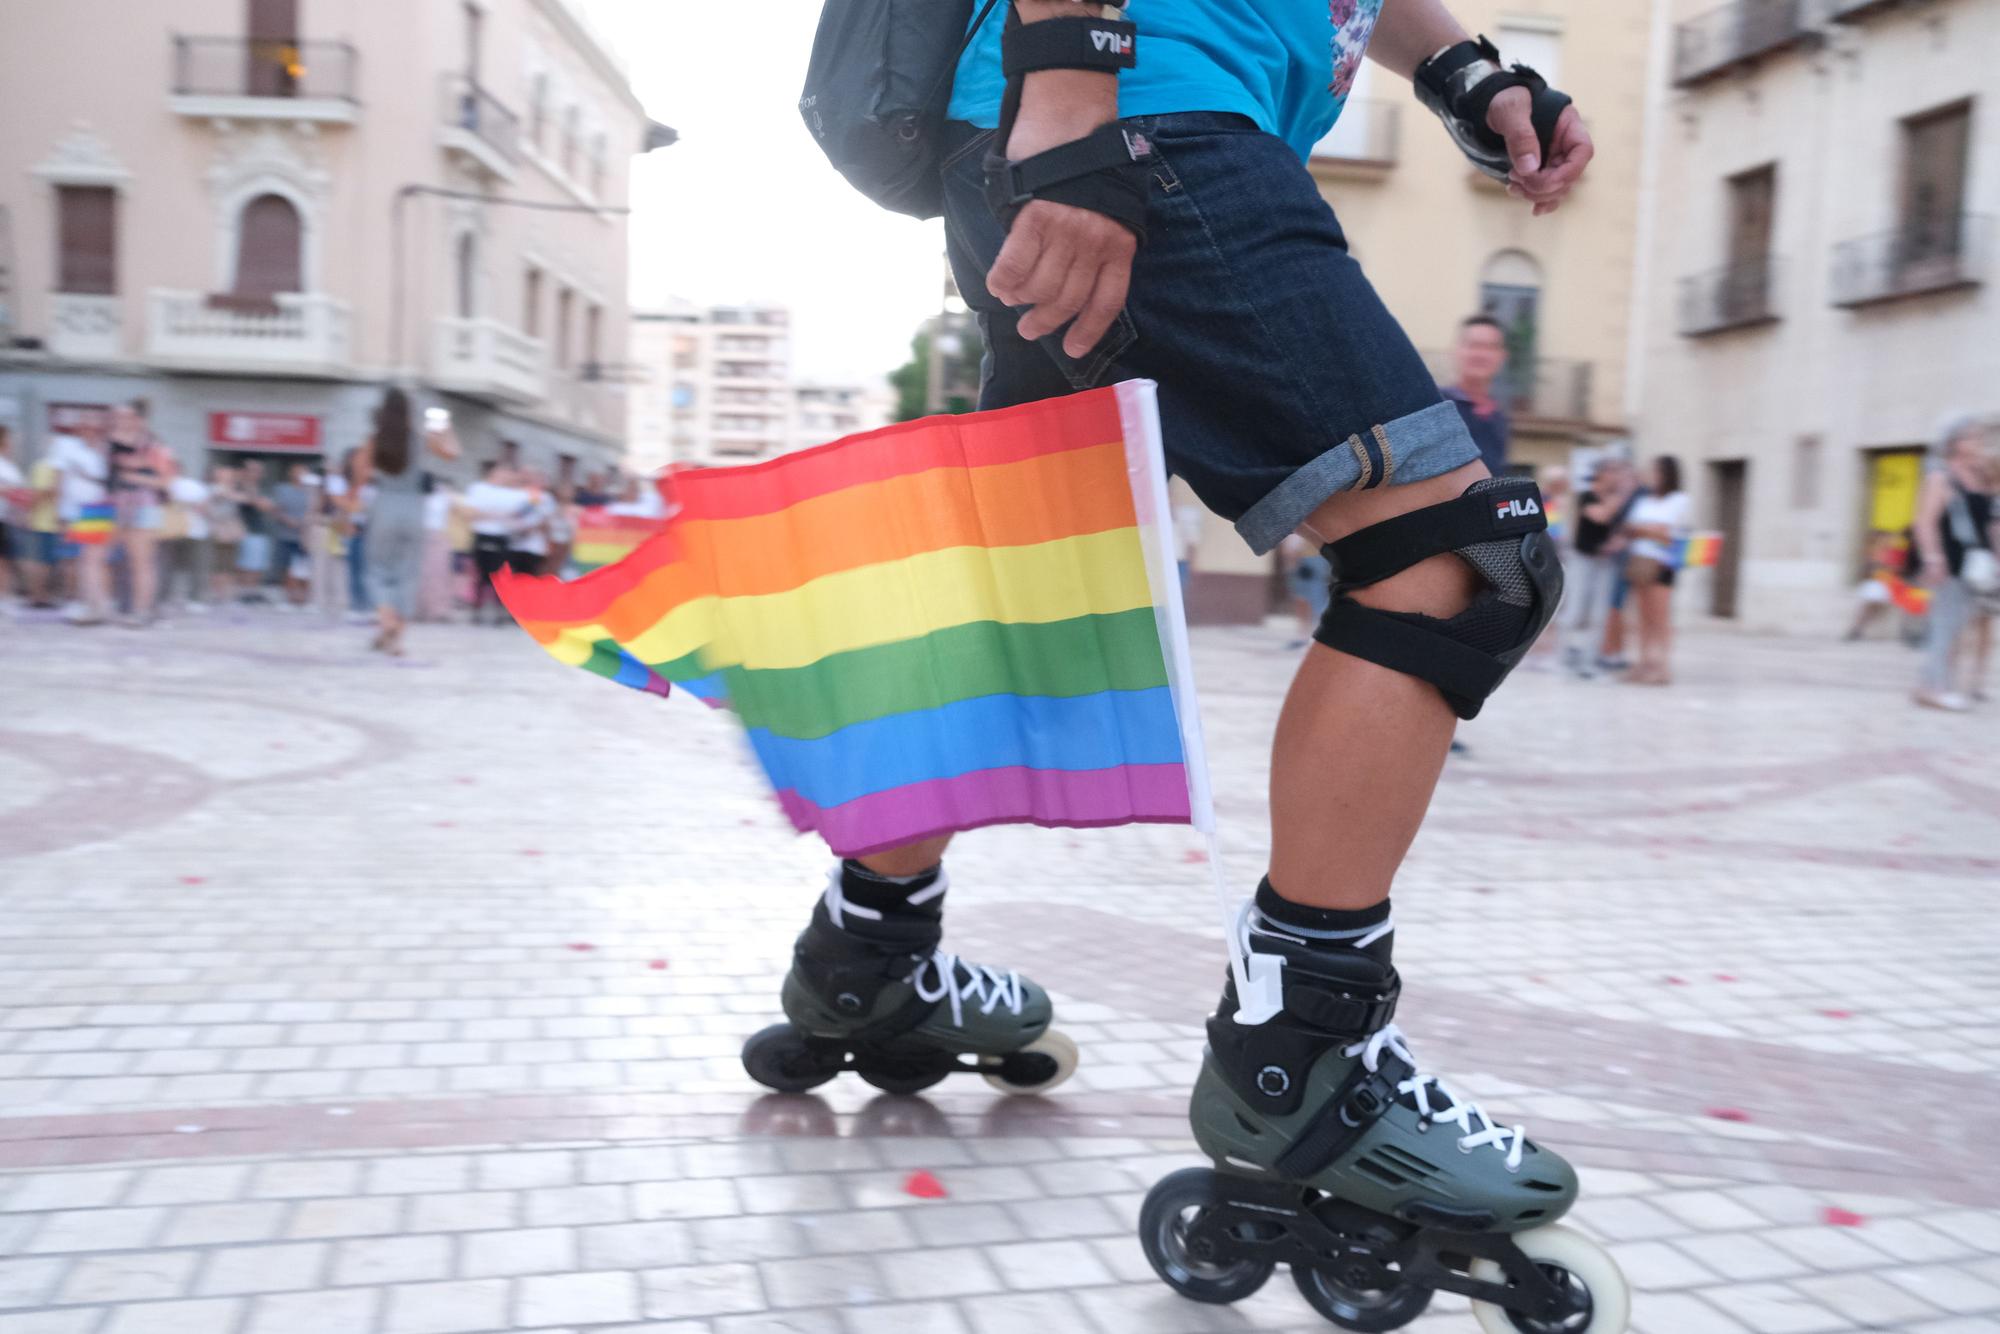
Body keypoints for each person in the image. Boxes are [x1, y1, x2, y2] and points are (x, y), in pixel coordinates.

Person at [749, 4, 1622, 1323]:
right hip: (1144, 118)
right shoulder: (1105, 103)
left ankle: (870, 954)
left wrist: (1464, 72)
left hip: (1104, 127)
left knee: (1026, 594)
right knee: (1451, 558)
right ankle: (1307, 1053)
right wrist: (1072, 92)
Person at [354, 389, 460, 656]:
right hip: (414, 508)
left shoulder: (375, 439)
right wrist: (445, 429)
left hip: (385, 504)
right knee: (408, 572)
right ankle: (395, 638)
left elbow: (359, 472)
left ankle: (386, 621)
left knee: (377, 569)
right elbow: (452, 454)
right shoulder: (420, 439)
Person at [1912, 415, 1997, 711]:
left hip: (1976, 568)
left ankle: (1931, 685)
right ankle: (1934, 689)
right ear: (1957, 443)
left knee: (1957, 628)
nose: (1979, 444)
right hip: (1949, 563)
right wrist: (1933, 558)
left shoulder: (1980, 478)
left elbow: (1991, 526)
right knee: (1945, 626)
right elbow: (1924, 521)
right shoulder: (1941, 477)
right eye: (1973, 438)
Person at [1562, 454, 1639, 677]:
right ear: (1602, 474)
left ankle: (1589, 661)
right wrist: (1624, 494)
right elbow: (1601, 517)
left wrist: (1618, 542)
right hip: (1582, 560)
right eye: (1613, 471)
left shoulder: (1617, 501)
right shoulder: (1586, 496)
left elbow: (1623, 528)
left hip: (1605, 562)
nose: (1617, 476)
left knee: (1599, 615)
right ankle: (1565, 656)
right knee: (1576, 611)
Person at [1620, 455, 1690, 686]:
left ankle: (1663, 666)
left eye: (1657, 471)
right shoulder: (1645, 500)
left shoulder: (1679, 500)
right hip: (1640, 559)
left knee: (1660, 617)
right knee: (1643, 617)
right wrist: (1650, 530)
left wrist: (1646, 530)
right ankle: (1644, 662)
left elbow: (1672, 534)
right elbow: (1631, 527)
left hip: (1662, 563)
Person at [106, 400, 173, 627]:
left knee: (142, 561)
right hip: (115, 504)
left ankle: (142, 610)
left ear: (138, 419)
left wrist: (134, 477)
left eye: (126, 416)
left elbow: (166, 481)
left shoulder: (154, 445)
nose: (121, 421)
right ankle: (114, 606)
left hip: (145, 504)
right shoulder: (110, 443)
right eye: (117, 416)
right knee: (102, 557)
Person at [52, 418, 112, 625]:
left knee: (91, 560)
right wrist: (59, 509)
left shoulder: (105, 452)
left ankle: (95, 603)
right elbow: (58, 478)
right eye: (86, 427)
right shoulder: (66, 448)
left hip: (97, 510)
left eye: (95, 428)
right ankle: (85, 601)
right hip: (73, 510)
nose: (91, 431)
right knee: (77, 560)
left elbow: (108, 482)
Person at [1440, 313, 1514, 478]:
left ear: (1502, 356)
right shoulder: (1436, 406)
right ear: (1455, 351)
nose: (1481, 354)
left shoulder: (1498, 417)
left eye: (1490, 347)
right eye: (1474, 345)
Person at [465, 461, 531, 623]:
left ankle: (499, 611)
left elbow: (523, 514)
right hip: (481, 535)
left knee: (500, 576)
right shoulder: (478, 489)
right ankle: (477, 609)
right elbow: (471, 512)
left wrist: (493, 515)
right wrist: (500, 516)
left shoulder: (518, 495)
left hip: (502, 538)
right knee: (480, 574)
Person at [160, 467, 214, 613]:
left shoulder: (163, 484)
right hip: (197, 530)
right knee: (198, 568)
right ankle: (196, 600)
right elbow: (205, 509)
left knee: (166, 566)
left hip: (171, 530)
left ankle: (163, 598)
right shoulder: (197, 486)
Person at [270, 462, 315, 607]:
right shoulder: (283, 490)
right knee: (287, 568)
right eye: (297, 472)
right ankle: (288, 599)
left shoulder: (313, 492)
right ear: (291, 474)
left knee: (305, 569)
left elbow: (316, 510)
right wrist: (288, 520)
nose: (301, 475)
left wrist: (306, 523)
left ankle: (304, 600)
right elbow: (276, 510)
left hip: (306, 537)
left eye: (303, 472)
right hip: (286, 535)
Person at [231, 459, 275, 603]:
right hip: (246, 531)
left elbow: (269, 507)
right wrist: (254, 496)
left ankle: (252, 592)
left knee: (258, 566)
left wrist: (258, 500)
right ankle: (244, 594)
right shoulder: (239, 487)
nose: (256, 474)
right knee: (246, 565)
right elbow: (257, 503)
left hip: (261, 531)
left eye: (259, 471)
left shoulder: (263, 488)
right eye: (253, 470)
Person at [417, 478, 457, 621]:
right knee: (424, 575)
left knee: (438, 575)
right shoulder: (422, 497)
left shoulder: (442, 497)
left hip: (436, 535)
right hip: (424, 535)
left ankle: (436, 610)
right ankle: (423, 609)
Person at [0, 426, 25, 603]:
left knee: (5, 560)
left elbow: (19, 497)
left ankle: (3, 598)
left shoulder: (9, 467)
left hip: (6, 520)